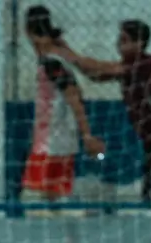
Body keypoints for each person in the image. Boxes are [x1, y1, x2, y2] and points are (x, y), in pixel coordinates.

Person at [57, 20, 151, 213]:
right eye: (119, 39)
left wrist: (70, 54)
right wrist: (67, 52)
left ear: (139, 43)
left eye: (124, 39)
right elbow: (95, 76)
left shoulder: (144, 63)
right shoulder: (128, 66)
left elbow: (104, 68)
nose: (118, 43)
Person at [22, 6, 105, 205]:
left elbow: (74, 97)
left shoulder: (52, 62)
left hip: (51, 145)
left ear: (27, 31)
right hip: (56, 142)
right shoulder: (55, 56)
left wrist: (87, 135)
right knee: (52, 201)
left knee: (35, 202)